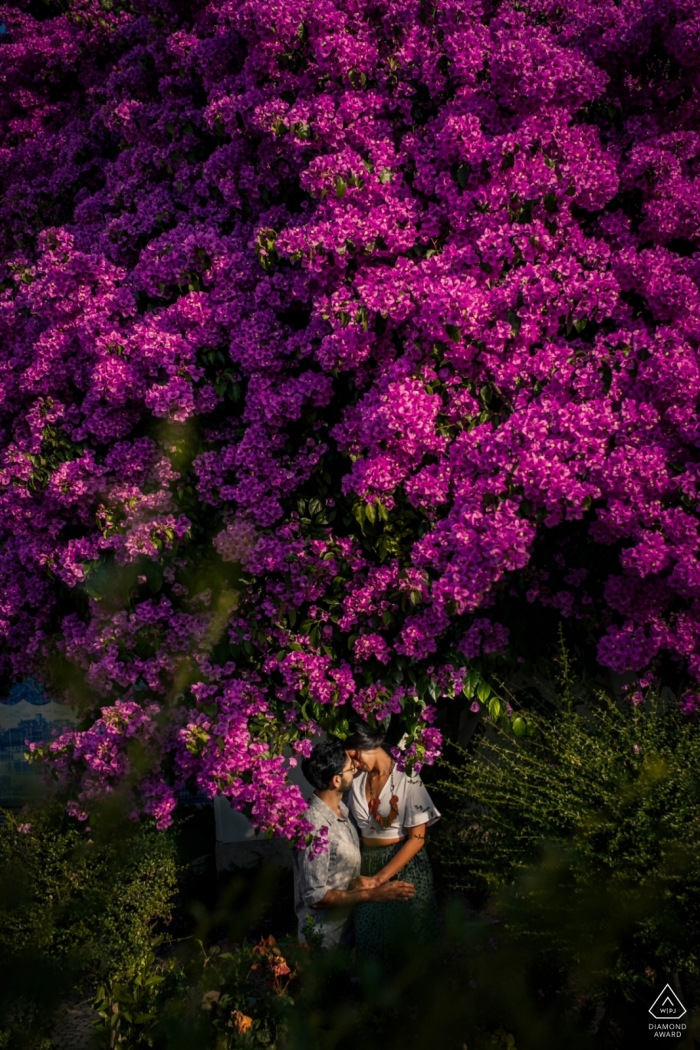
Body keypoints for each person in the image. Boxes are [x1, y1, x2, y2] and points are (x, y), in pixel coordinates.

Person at [294, 739, 416, 948]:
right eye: (350, 769)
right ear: (336, 781)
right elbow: (316, 896)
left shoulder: (343, 811)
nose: (355, 770)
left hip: (346, 935)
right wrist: (372, 895)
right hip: (323, 943)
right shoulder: (314, 827)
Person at [345, 721, 440, 961]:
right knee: (370, 938)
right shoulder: (356, 781)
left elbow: (417, 838)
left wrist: (378, 879)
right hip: (367, 862)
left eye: (355, 755)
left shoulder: (406, 775)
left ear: (370, 742)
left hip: (404, 865)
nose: (354, 764)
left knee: (407, 942)